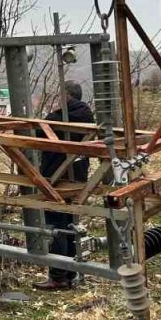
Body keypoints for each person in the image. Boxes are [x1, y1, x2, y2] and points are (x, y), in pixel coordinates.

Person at [32, 81, 95, 291]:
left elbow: (37, 134)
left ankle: (58, 276)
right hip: (78, 178)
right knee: (70, 223)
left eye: (60, 95)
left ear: (67, 96)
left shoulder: (56, 119)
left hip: (56, 179)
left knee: (56, 226)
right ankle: (70, 272)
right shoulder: (88, 117)